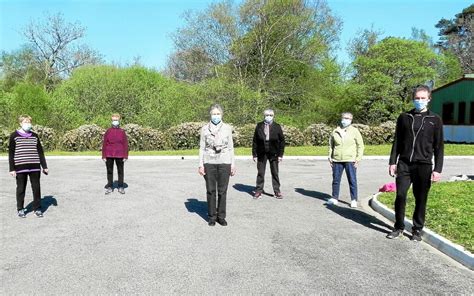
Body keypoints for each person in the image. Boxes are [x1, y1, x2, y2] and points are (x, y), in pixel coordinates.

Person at [386, 85, 444, 241]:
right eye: (417, 98)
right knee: (400, 195)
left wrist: (437, 169)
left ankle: (417, 230)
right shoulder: (404, 117)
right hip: (404, 163)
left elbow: (439, 146)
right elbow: (397, 141)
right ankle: (398, 227)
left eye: (423, 98)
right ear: (413, 99)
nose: (419, 101)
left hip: (424, 165)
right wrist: (393, 162)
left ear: (429, 99)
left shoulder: (435, 119)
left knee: (421, 198)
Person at [198, 104, 236, 226]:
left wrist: (233, 164)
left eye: (218, 114)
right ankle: (212, 216)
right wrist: (200, 164)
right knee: (210, 190)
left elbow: (230, 148)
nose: (216, 116)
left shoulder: (227, 128)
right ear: (210, 115)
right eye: (214, 114)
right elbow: (202, 148)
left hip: (224, 162)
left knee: (222, 191)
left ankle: (221, 216)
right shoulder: (204, 129)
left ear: (222, 115)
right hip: (209, 162)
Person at [8, 115, 48, 218]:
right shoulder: (14, 136)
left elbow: (40, 151)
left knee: (36, 188)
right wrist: (12, 169)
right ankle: (20, 209)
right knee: (21, 188)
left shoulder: (34, 136)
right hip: (20, 167)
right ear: (20, 123)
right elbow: (11, 153)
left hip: (35, 167)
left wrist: (44, 166)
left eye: (29, 122)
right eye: (26, 122)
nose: (28, 124)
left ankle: (37, 208)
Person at [327, 112, 364, 208]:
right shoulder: (335, 131)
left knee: (352, 180)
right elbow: (331, 146)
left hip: (350, 159)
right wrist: (330, 157)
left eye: (348, 118)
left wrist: (358, 159)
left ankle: (354, 199)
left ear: (351, 120)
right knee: (336, 180)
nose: (345, 120)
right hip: (337, 159)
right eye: (344, 118)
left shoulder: (355, 131)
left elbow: (360, 145)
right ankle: (334, 198)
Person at [252, 109, 285, 199]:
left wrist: (280, 155)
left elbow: (282, 141)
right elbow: (255, 141)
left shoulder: (277, 126)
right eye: (267, 115)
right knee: (260, 172)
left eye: (271, 115)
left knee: (275, 172)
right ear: (264, 115)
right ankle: (258, 190)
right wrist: (254, 154)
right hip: (261, 153)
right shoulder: (259, 126)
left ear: (273, 116)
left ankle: (277, 191)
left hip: (274, 153)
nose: (269, 117)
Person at [102, 113, 129, 194]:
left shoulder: (122, 132)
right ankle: (110, 186)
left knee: (120, 171)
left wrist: (125, 155)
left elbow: (125, 144)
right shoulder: (108, 131)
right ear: (111, 120)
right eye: (114, 120)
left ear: (119, 120)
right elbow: (104, 144)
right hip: (109, 154)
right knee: (109, 171)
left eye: (116, 120)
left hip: (120, 154)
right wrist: (103, 155)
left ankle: (120, 186)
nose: (115, 121)